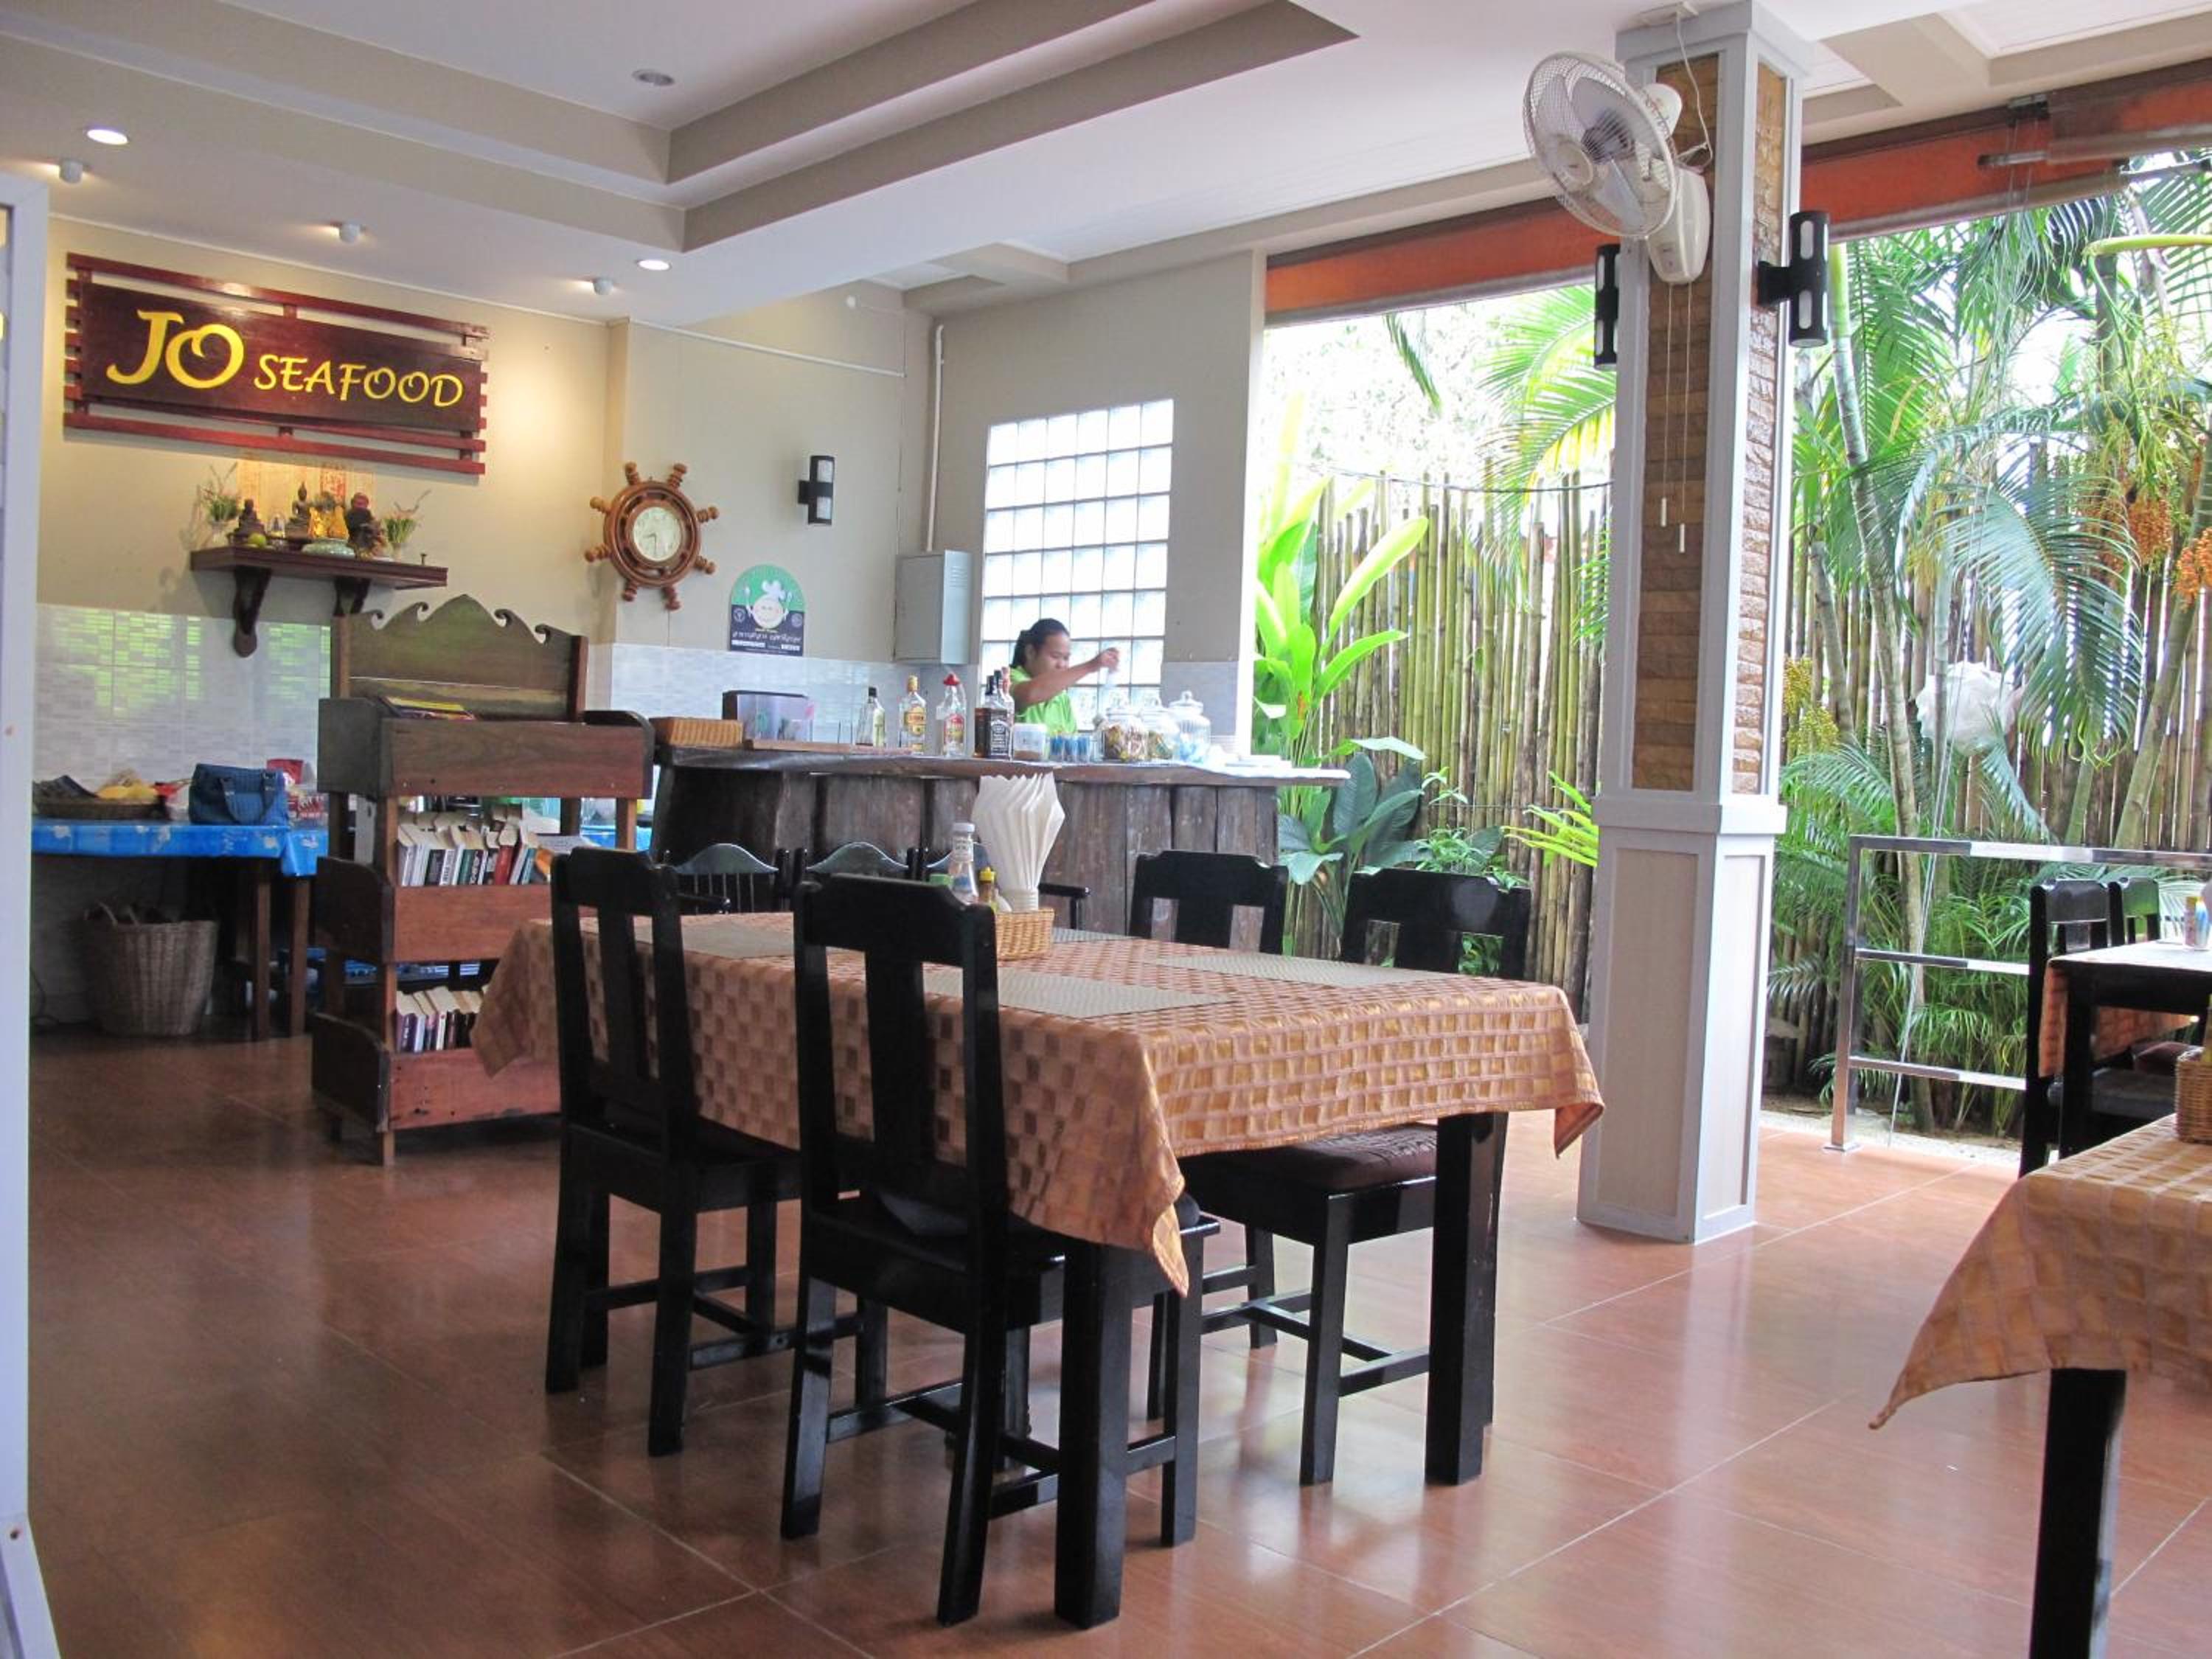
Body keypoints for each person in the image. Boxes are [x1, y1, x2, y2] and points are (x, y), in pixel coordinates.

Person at [1007, 618, 1119, 735]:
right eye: (1055, 656)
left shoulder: (1061, 697)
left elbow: (1072, 741)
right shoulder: (1009, 678)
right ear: (1030, 652)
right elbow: (1030, 694)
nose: (1061, 665)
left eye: (1066, 658)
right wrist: (1091, 666)